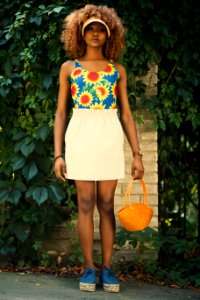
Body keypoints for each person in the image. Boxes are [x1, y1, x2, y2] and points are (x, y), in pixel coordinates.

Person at [53, 4, 144, 293]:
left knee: (106, 204)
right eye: (89, 28)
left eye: (100, 29)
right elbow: (60, 113)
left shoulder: (117, 70)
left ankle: (108, 268)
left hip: (108, 135)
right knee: (85, 203)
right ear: (79, 32)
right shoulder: (69, 68)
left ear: (109, 34)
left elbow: (126, 114)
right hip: (80, 135)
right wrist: (58, 154)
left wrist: (138, 155)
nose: (95, 33)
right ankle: (88, 269)